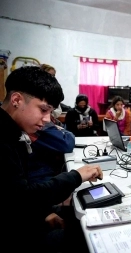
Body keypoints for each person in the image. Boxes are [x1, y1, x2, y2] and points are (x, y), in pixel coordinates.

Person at [0, 66, 103, 252]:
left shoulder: (14, 132)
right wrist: (76, 176)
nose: (47, 119)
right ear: (16, 100)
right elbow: (24, 197)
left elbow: (14, 194)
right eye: (43, 110)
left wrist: (42, 214)